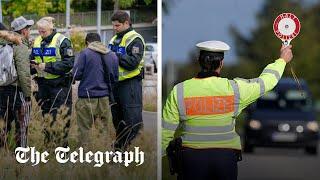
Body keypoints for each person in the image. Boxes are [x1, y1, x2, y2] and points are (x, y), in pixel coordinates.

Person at [162, 40, 293, 180]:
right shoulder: (235, 89)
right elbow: (266, 82)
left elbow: (165, 131)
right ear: (221, 63)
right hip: (225, 161)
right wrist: (282, 60)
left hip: (190, 161)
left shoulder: (179, 91)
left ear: (199, 61)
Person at [30, 17, 74, 146]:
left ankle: (62, 150)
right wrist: (32, 66)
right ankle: (49, 147)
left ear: (51, 29)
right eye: (39, 31)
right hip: (43, 86)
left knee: (61, 117)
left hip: (60, 86)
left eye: (43, 31)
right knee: (46, 117)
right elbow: (33, 58)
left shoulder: (63, 41)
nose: (40, 34)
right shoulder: (37, 41)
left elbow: (69, 63)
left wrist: (47, 66)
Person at [108, 10, 145, 151]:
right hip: (116, 85)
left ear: (126, 23)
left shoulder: (135, 39)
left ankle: (131, 152)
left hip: (130, 85)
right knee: (117, 120)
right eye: (113, 25)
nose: (114, 28)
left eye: (117, 26)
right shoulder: (114, 39)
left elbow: (132, 63)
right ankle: (119, 151)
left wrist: (115, 56)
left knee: (132, 119)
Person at [73, 33, 118, 145]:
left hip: (86, 97)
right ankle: (102, 153)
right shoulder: (112, 55)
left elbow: (76, 74)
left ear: (87, 42)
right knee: (104, 130)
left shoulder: (85, 53)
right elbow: (115, 77)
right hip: (104, 98)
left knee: (84, 130)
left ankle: (85, 157)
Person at [0, 16, 33, 148]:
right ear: (24, 31)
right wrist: (27, 95)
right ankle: (21, 158)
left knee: (3, 125)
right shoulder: (19, 45)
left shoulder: (3, 43)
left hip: (1, 90)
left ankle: (3, 157)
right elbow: (23, 74)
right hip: (15, 91)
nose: (29, 31)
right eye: (28, 29)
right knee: (22, 126)